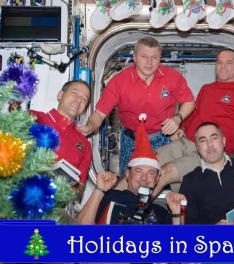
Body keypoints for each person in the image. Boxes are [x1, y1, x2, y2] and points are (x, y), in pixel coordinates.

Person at [116, 48, 234, 197]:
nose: (222, 67)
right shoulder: (206, 89)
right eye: (219, 62)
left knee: (166, 172)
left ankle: (135, 215)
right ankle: (110, 204)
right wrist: (182, 128)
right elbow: (195, 114)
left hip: (212, 151)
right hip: (187, 141)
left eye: (228, 63)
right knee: (147, 163)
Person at [76, 113, 187, 264]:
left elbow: (176, 257)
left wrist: (177, 214)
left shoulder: (161, 213)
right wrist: (99, 190)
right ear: (127, 175)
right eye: (138, 171)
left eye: (151, 173)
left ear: (157, 179)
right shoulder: (112, 197)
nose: (144, 178)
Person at [77, 36, 195, 177]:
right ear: (134, 57)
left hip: (163, 138)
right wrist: (89, 127)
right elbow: (100, 114)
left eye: (154, 57)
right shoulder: (119, 82)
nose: (149, 63)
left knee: (162, 180)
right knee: (129, 184)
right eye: (144, 56)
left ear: (160, 58)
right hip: (131, 140)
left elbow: (189, 101)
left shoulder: (172, 77)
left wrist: (177, 118)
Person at [30, 80, 92, 198]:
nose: (79, 100)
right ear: (60, 95)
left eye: (84, 99)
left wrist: (70, 190)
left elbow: (80, 188)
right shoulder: (34, 118)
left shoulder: (85, 145)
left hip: (56, 205)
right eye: (74, 93)